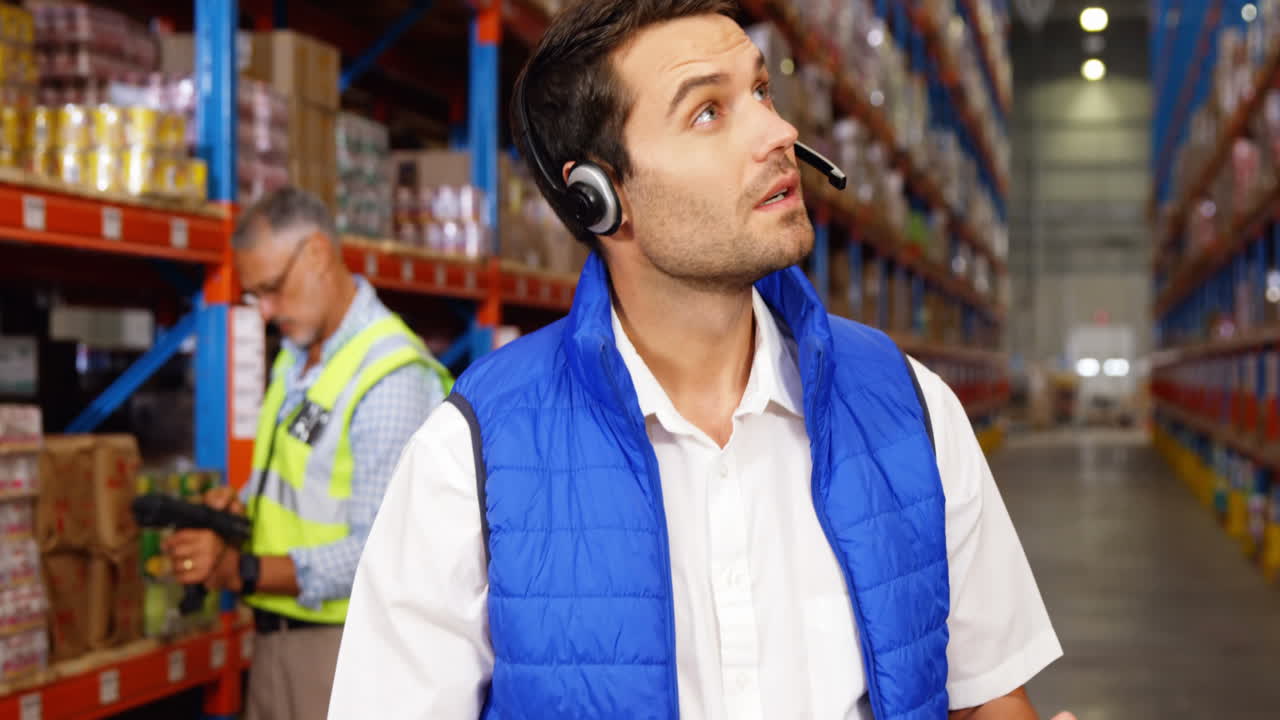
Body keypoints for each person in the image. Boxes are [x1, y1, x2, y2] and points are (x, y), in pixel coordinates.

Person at [329, 2, 1075, 718]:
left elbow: (983, 696)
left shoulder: (912, 409)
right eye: (708, 112)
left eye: (759, 91)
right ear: (598, 195)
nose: (778, 131)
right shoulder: (471, 457)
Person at [162, 187, 452, 719]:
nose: (267, 313)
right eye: (256, 297)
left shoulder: (389, 376)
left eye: (272, 289)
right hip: (277, 637)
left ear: (317, 253)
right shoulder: (296, 358)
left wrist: (241, 570)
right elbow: (298, 476)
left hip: (345, 648)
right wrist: (241, 509)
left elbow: (375, 552)